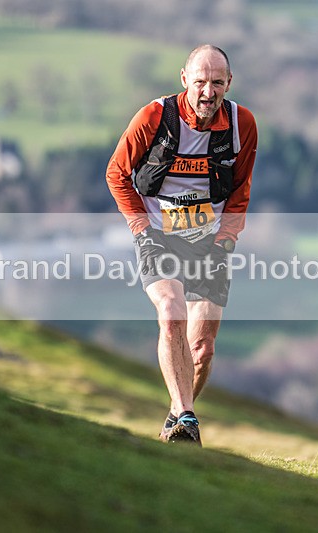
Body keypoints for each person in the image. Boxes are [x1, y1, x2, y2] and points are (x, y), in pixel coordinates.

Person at [105, 44, 257, 445]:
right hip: (157, 232)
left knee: (202, 348)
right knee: (171, 313)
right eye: (201, 81)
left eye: (218, 83)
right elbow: (117, 173)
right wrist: (140, 227)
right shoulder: (154, 117)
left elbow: (241, 190)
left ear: (229, 83)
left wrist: (226, 240)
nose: (209, 92)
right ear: (184, 78)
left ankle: (178, 415)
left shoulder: (242, 124)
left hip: (210, 241)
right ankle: (188, 416)